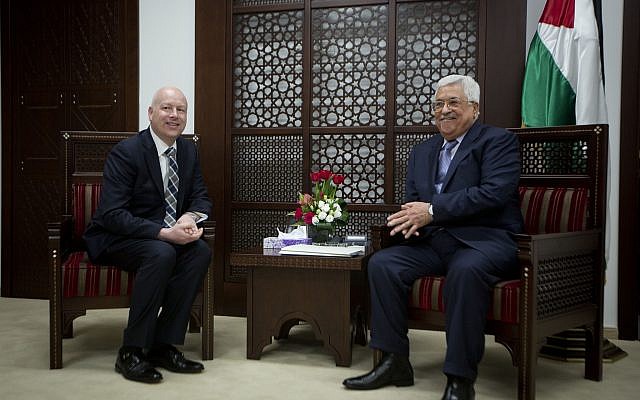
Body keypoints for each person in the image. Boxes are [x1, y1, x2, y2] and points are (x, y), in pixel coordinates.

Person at [342, 75, 524, 400]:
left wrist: (432, 210)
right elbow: (414, 199)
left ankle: (460, 379)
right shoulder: (422, 151)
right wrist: (410, 220)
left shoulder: (497, 141)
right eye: (438, 104)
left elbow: (493, 193)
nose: (444, 110)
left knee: (465, 272)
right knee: (383, 263)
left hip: (483, 241)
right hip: (435, 242)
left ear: (475, 108)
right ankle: (394, 361)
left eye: (453, 102)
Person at [84, 86, 213, 384]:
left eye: (181, 110)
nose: (174, 115)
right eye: (167, 108)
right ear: (151, 113)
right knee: (162, 252)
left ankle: (161, 345)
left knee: (200, 251)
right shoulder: (127, 152)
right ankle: (130, 351)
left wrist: (188, 217)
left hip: (161, 235)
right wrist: (164, 233)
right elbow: (111, 214)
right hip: (116, 237)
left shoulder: (188, 150)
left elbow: (202, 198)